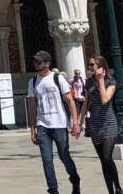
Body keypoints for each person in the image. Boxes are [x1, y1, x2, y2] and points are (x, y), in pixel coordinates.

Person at [26, 50, 80, 194]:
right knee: (47, 159)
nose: (36, 64)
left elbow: (70, 101)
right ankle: (53, 189)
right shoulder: (33, 82)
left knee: (64, 155)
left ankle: (75, 180)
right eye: (35, 62)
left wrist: (75, 123)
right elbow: (32, 106)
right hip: (42, 125)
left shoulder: (58, 79)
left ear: (47, 63)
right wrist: (33, 129)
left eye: (39, 62)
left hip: (59, 123)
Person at [81, 57, 121, 194]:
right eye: (89, 65)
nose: (90, 67)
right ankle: (110, 191)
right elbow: (86, 103)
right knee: (103, 161)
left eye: (92, 65)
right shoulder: (88, 83)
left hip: (109, 123)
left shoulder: (111, 82)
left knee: (107, 157)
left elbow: (105, 100)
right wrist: (78, 122)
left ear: (101, 66)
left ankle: (118, 186)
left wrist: (101, 80)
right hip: (95, 125)